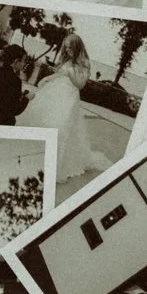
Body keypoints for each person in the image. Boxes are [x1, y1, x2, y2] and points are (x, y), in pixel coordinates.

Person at [22, 32, 96, 187]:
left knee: (61, 128)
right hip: (55, 93)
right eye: (66, 47)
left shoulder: (85, 62)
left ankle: (55, 164)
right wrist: (46, 78)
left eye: (70, 48)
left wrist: (70, 73)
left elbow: (80, 84)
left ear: (77, 47)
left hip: (69, 98)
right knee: (43, 120)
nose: (67, 50)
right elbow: (59, 75)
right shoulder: (67, 59)